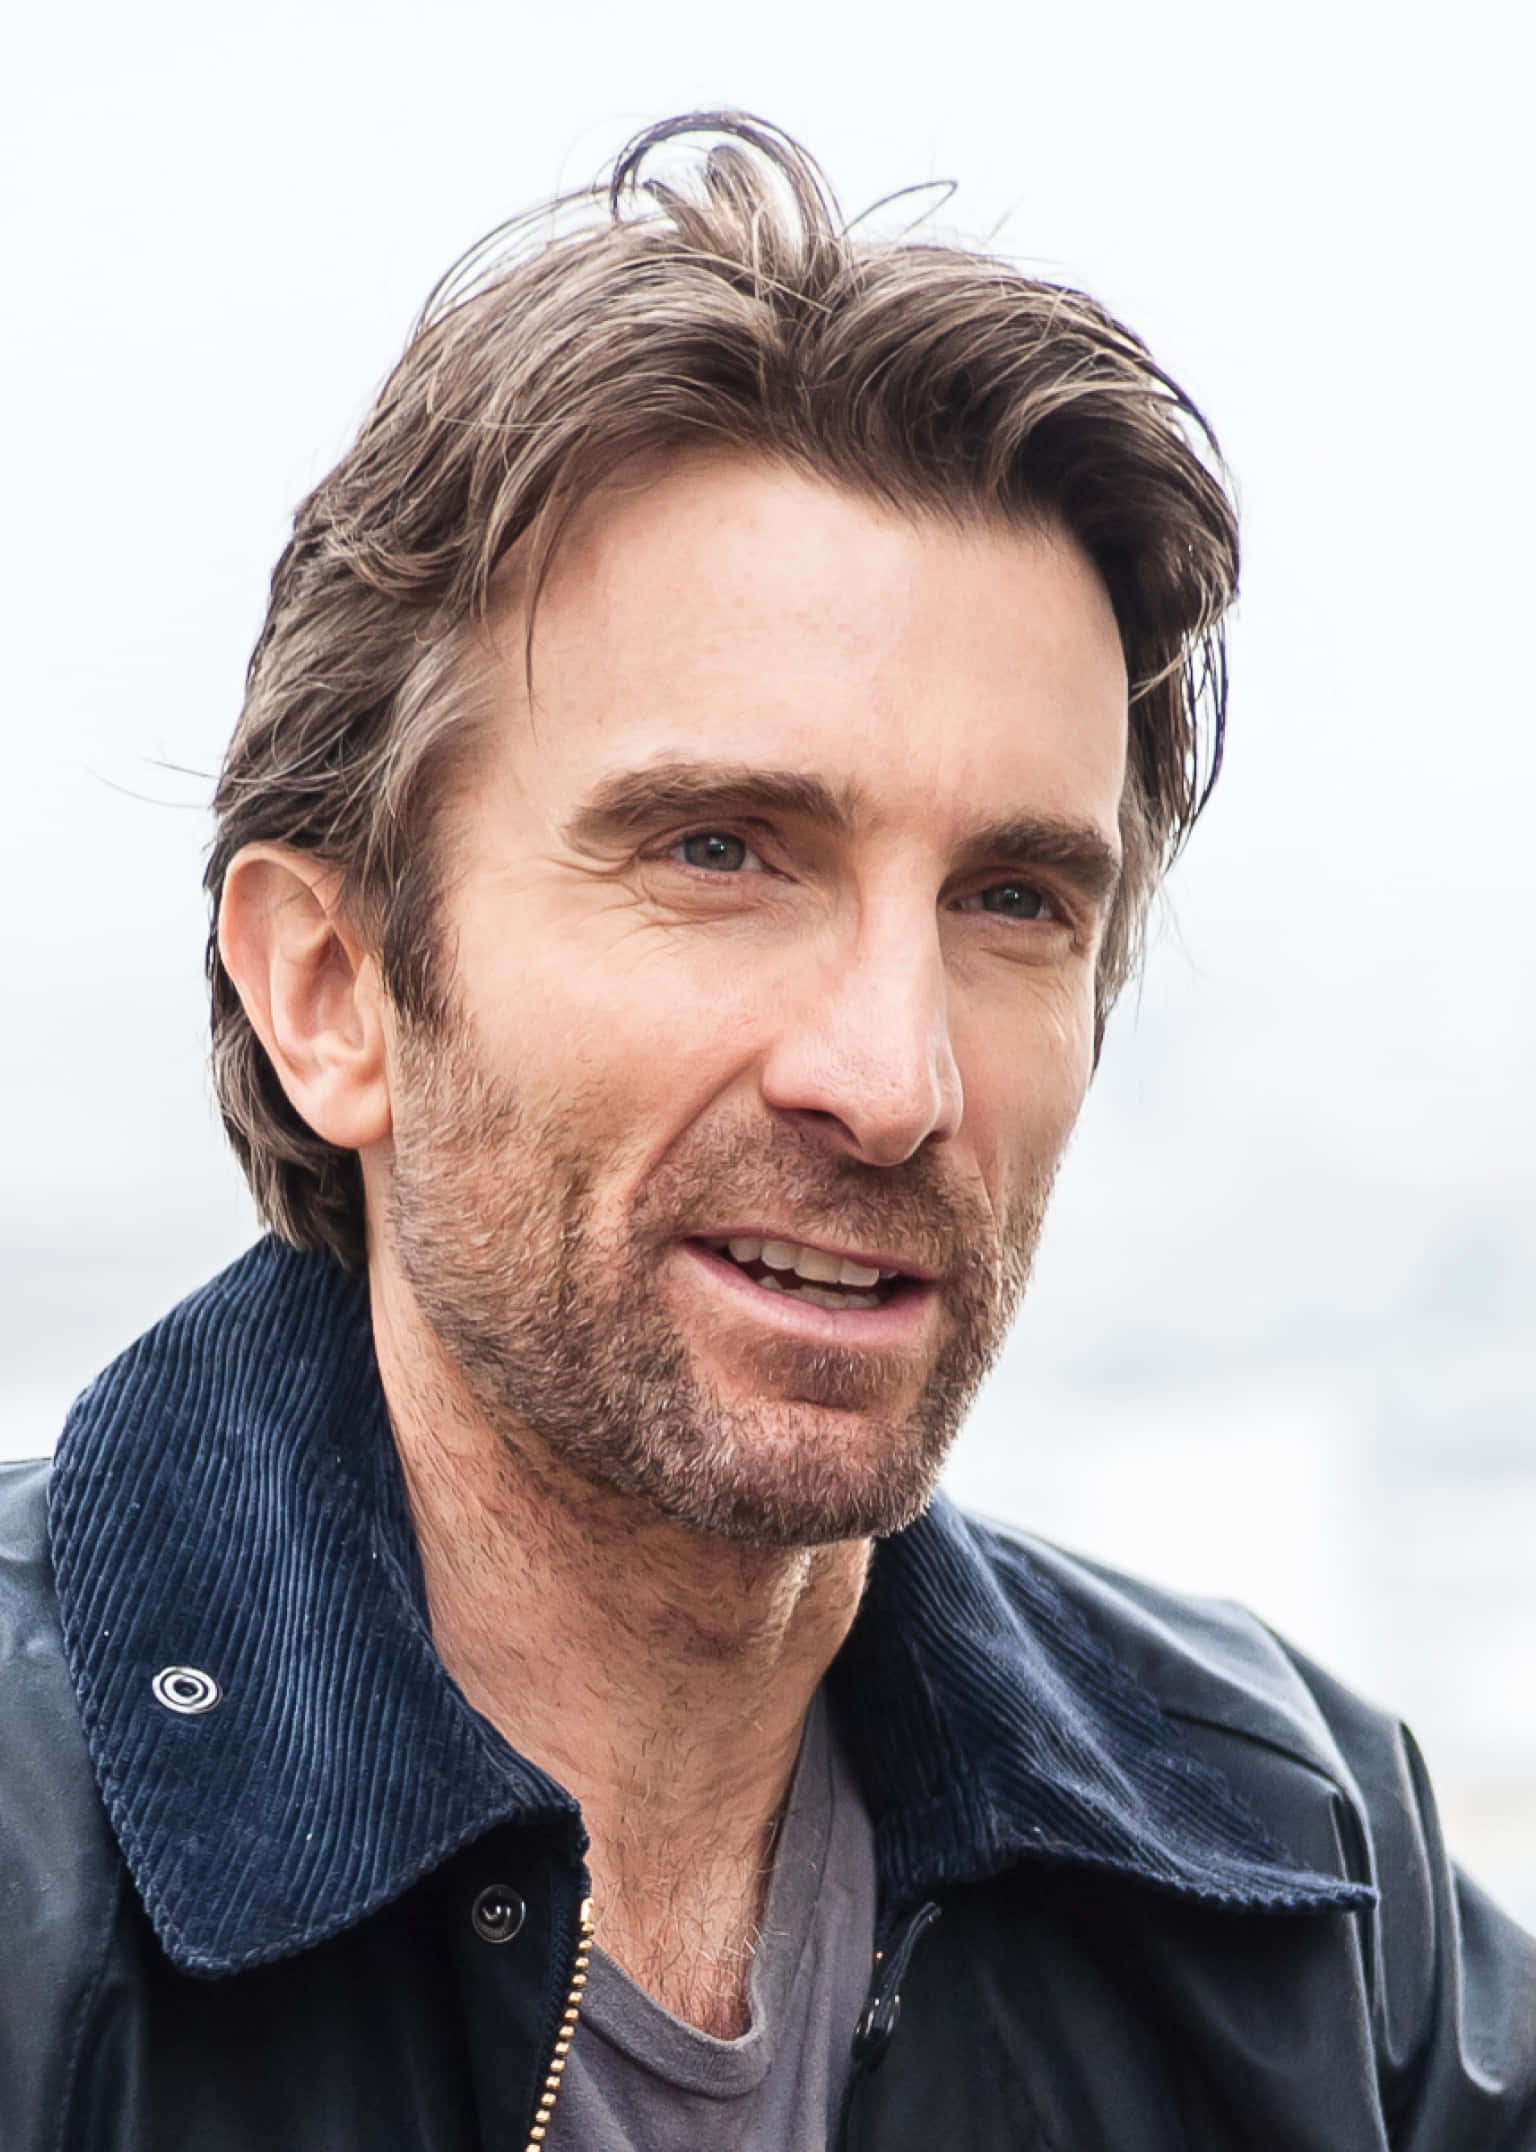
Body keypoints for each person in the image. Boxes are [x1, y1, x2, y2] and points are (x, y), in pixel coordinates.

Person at [3, 111, 1532, 2152]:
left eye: (1014, 898)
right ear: (333, 988)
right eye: (721, 851)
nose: (894, 1080)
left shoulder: (1314, 1896)